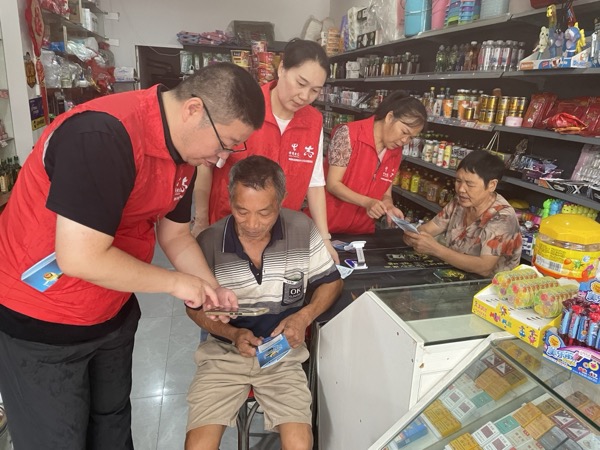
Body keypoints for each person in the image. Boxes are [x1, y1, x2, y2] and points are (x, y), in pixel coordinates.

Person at [0, 62, 265, 449]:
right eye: (224, 143)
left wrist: (211, 288)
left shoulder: (185, 155)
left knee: (111, 427)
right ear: (194, 110)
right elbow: (80, 258)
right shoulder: (102, 135)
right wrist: (177, 283)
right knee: (57, 440)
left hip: (110, 312)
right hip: (43, 323)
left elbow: (175, 235)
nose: (222, 158)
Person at [186, 155, 343, 450]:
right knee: (198, 445)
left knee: (299, 444)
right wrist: (232, 333)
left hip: (282, 354)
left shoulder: (301, 229)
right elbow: (194, 309)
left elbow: (332, 282)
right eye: (241, 211)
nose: (252, 224)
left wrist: (303, 317)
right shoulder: (209, 242)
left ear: (280, 202)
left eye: (264, 213)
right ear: (230, 200)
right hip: (224, 352)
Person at [193, 38, 339, 263]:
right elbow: (206, 166)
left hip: (279, 233)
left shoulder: (313, 121)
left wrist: (325, 239)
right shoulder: (244, 106)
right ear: (281, 69)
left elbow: (315, 182)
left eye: (315, 91)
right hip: (229, 228)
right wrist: (201, 221)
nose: (305, 96)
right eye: (300, 83)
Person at [403, 150, 522, 277]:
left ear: (492, 185)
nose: (461, 189)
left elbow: (484, 267)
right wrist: (412, 235)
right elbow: (430, 228)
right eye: (458, 181)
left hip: (488, 285)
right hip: (455, 274)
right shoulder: (460, 201)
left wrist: (435, 249)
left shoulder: (503, 217)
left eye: (470, 184)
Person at [324, 91, 427, 234]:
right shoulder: (348, 134)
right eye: (404, 132)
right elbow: (333, 184)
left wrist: (389, 206)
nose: (405, 140)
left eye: (411, 138)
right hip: (327, 225)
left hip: (362, 231)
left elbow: (386, 193)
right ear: (389, 117)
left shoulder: (395, 151)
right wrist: (367, 202)